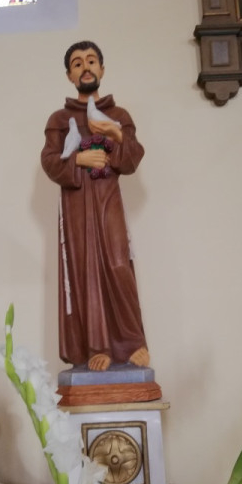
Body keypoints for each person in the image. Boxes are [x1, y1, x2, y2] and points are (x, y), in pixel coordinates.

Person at [41, 40, 149, 372]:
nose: (85, 67)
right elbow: (50, 161)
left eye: (91, 61)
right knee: (85, 270)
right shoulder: (60, 119)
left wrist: (116, 133)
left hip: (107, 200)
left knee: (118, 264)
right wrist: (79, 159)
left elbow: (131, 159)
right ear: (69, 75)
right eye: (77, 63)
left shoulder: (119, 115)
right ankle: (96, 346)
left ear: (102, 68)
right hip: (76, 206)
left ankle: (133, 343)